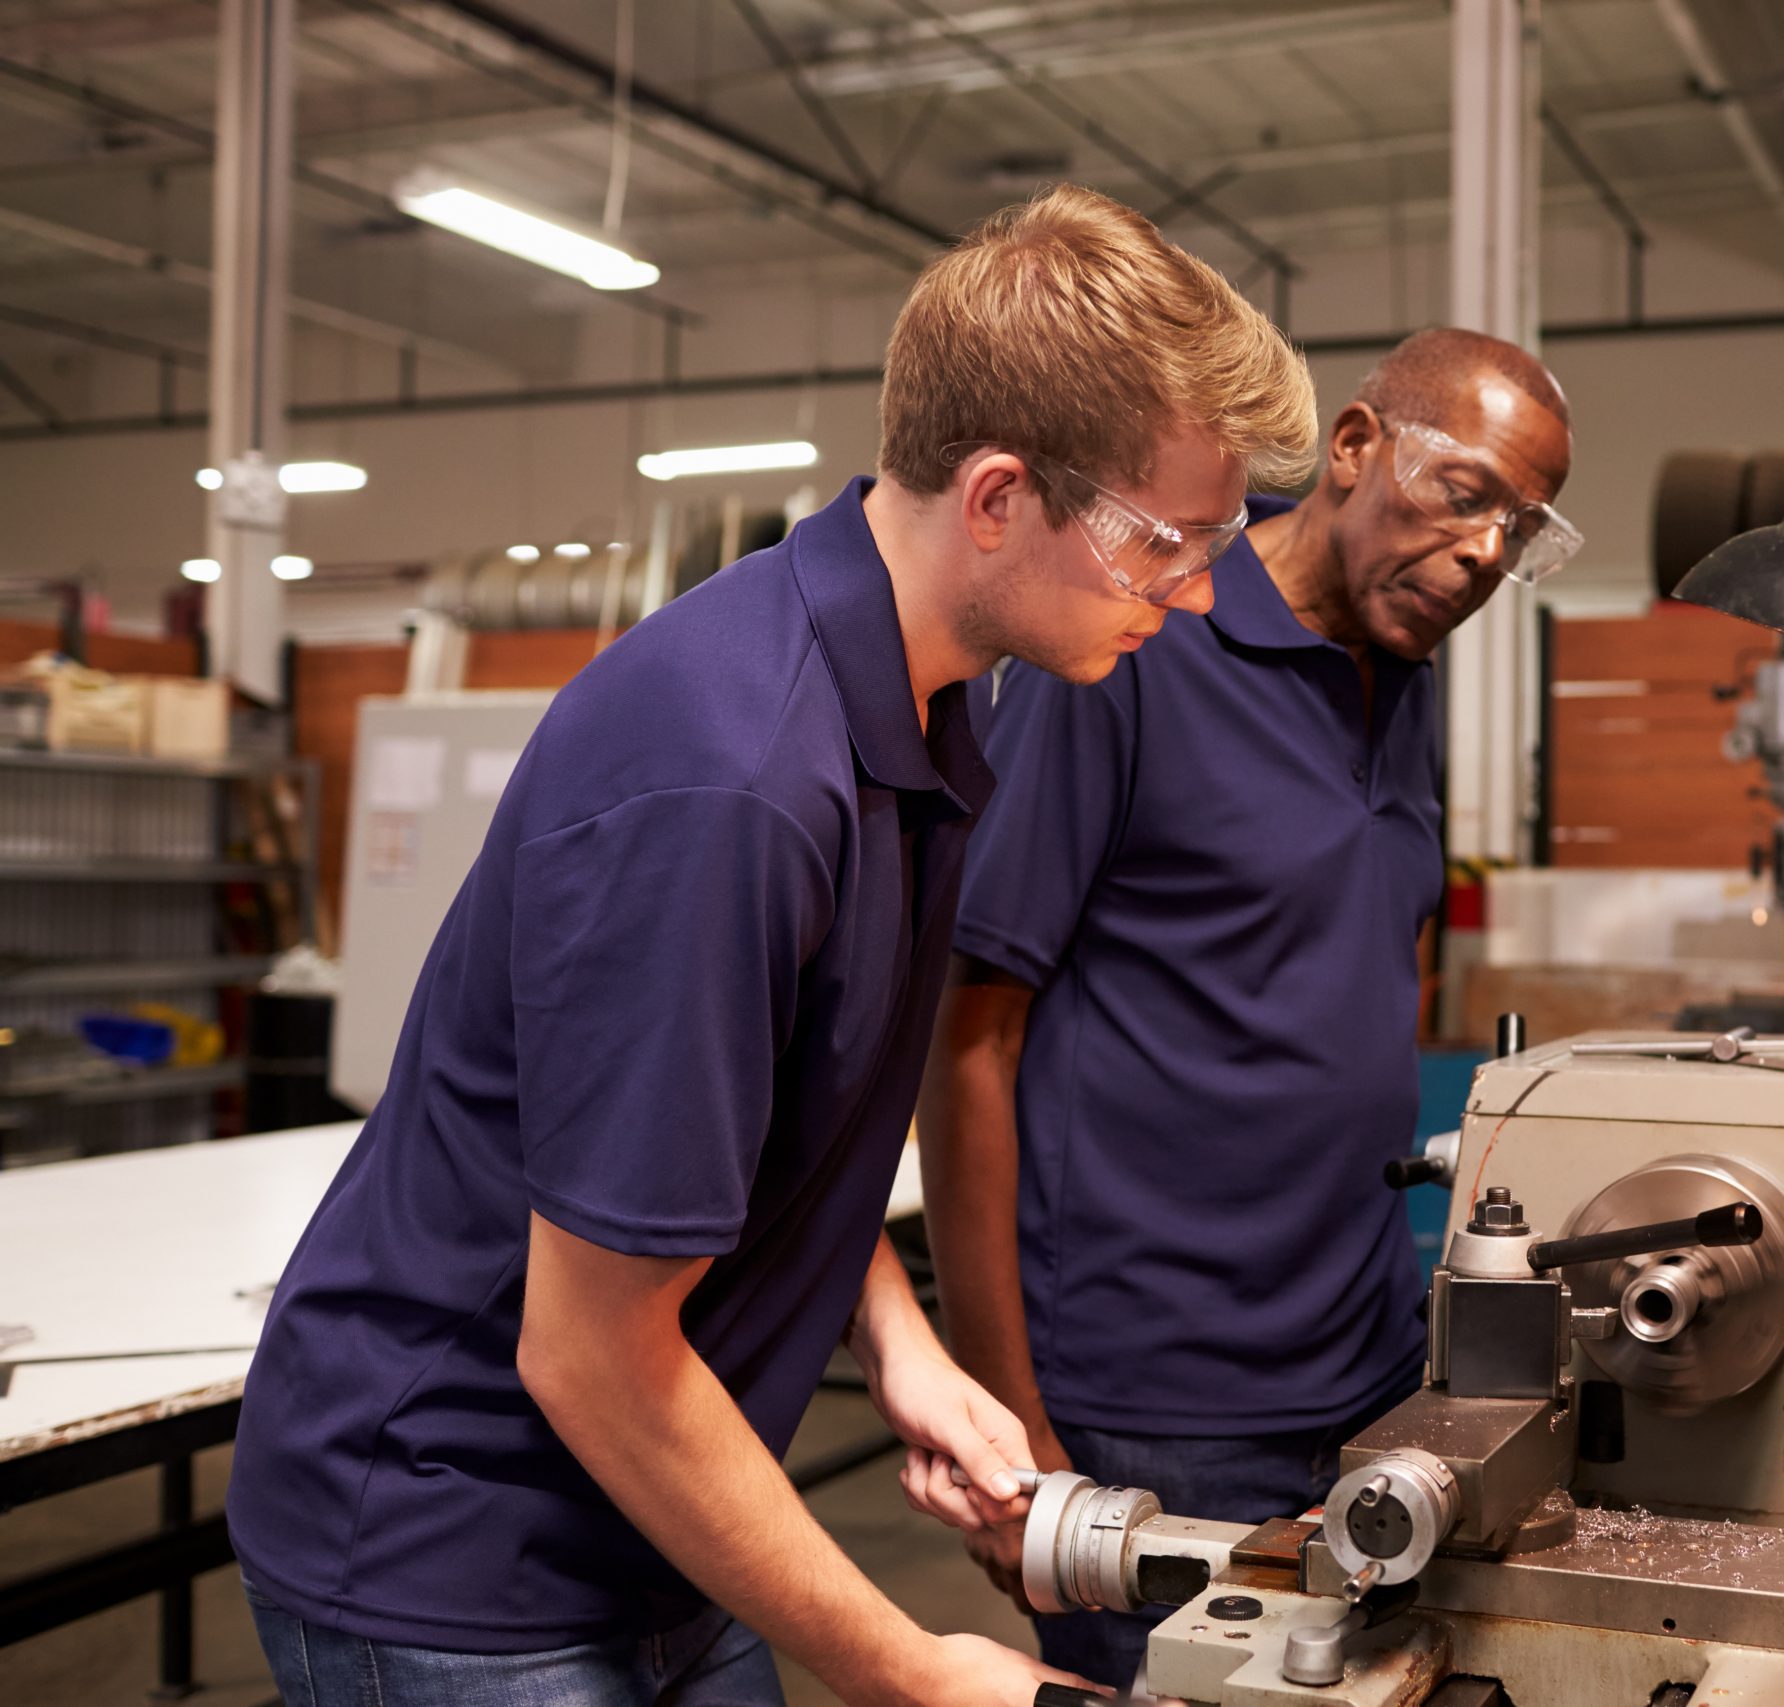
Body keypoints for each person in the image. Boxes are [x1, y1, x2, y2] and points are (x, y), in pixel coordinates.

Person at [226, 184, 1315, 1707]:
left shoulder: (936, 695)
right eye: (1167, 543)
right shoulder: (734, 776)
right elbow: (589, 1351)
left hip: (656, 1506)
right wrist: (917, 1671)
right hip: (458, 1544)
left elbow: (761, 1118)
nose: (1196, 594)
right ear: (996, 497)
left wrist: (901, 1348)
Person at [920, 327, 1577, 1688]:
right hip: (1152, 1401)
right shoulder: (1136, 642)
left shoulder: (1406, 673)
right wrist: (1011, 1431)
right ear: (1352, 448)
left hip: (1366, 1368)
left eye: (1521, 532)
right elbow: (967, 1041)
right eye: (1463, 494)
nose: (1484, 558)